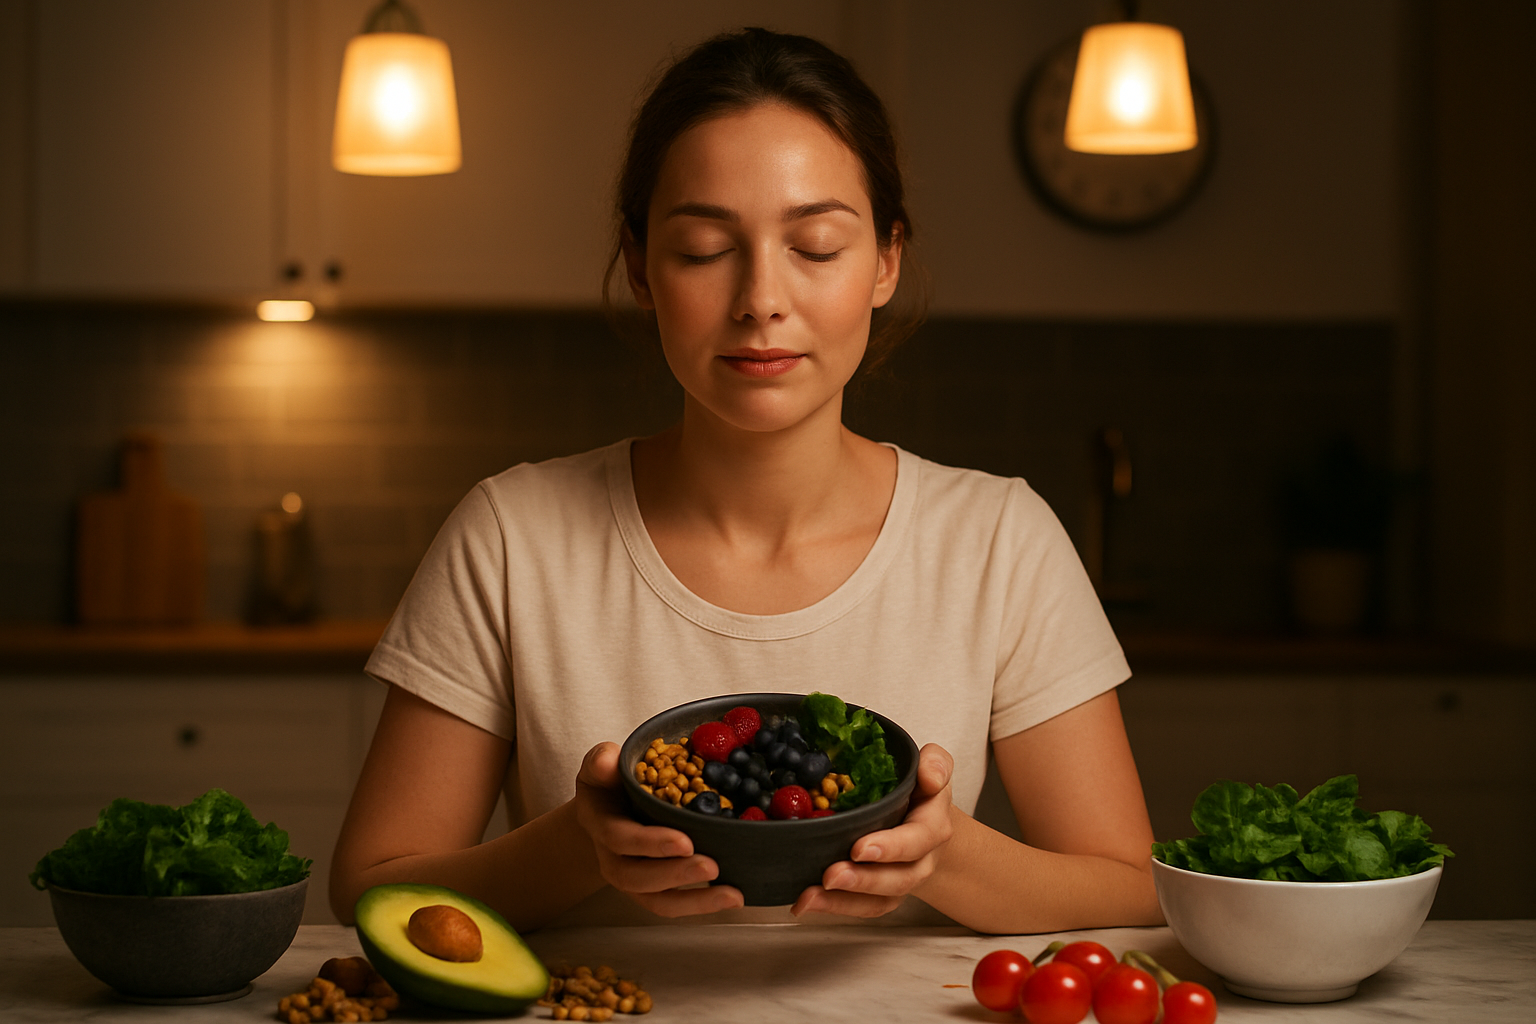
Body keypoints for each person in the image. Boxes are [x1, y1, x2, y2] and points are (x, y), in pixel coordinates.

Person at [330, 27, 1162, 935]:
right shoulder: (510, 536)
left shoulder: (1000, 539)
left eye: (814, 245)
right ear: (642, 267)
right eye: (701, 249)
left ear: (886, 261)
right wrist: (578, 845)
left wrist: (944, 853)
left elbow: (1129, 888)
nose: (762, 298)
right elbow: (371, 891)